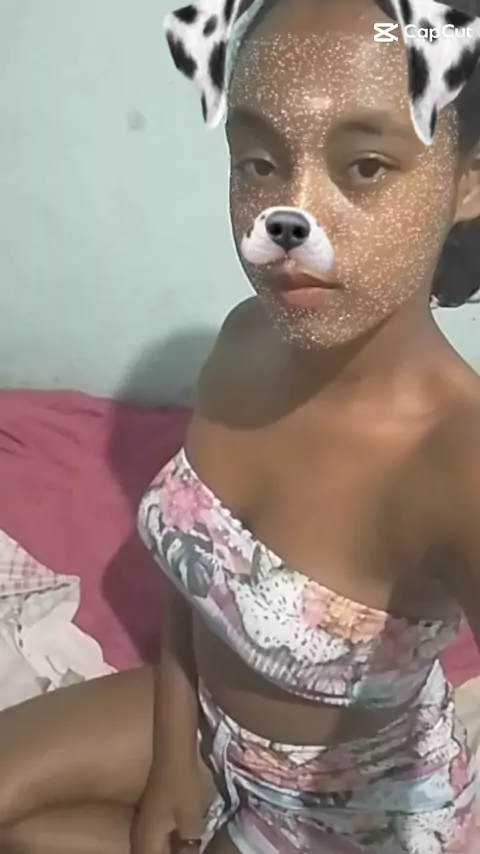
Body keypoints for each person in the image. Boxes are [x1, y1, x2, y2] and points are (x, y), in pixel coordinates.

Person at [2, 0, 480, 851]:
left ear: (468, 182)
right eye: (259, 160)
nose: (287, 220)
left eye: (365, 166)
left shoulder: (457, 462)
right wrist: (173, 755)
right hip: (202, 718)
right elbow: (196, 568)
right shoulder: (243, 337)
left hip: (347, 814)